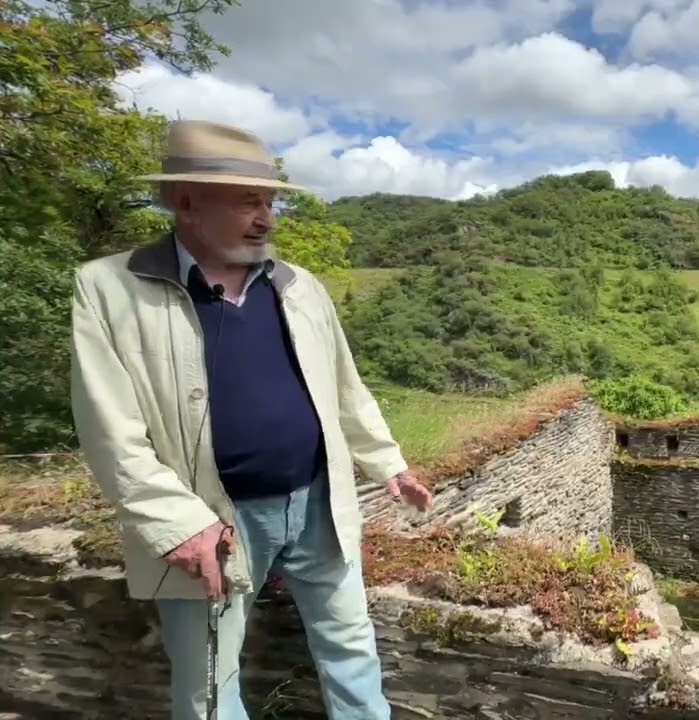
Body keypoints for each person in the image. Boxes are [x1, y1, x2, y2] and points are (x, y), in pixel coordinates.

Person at [68, 119, 433, 720]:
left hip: (319, 503)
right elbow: (110, 429)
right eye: (248, 202)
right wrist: (175, 523)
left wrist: (386, 463)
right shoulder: (109, 289)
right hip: (214, 520)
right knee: (210, 682)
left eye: (269, 201)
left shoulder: (298, 284)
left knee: (352, 648)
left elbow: (345, 388)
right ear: (186, 201)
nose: (267, 218)